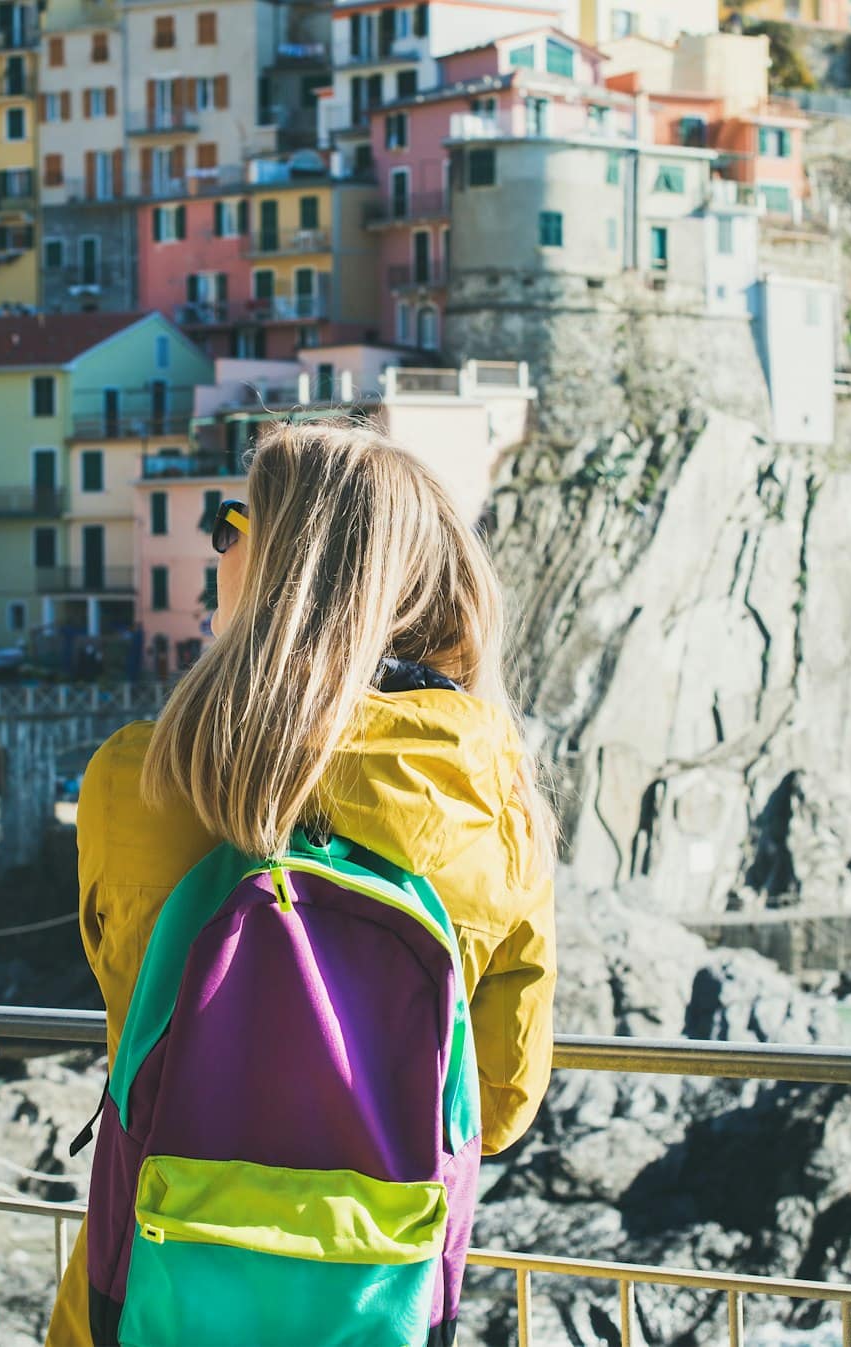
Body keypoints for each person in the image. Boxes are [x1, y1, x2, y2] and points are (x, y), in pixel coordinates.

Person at [45, 420, 557, 1345]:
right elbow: (504, 1100)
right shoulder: (493, 801)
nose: (216, 547)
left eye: (230, 523)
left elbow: (131, 1003)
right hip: (369, 1303)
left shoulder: (139, 780)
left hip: (151, 1295)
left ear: (284, 561)